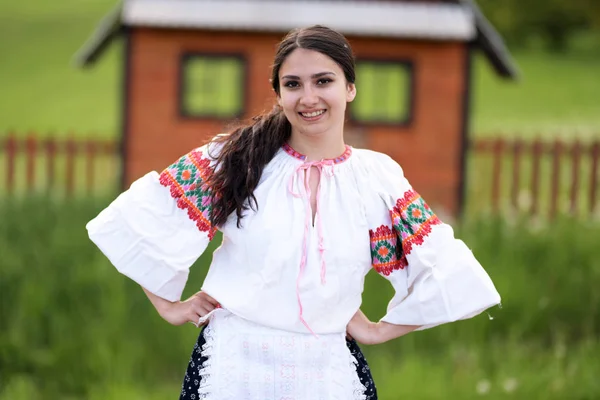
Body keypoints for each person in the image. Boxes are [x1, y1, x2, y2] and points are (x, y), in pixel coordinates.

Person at [86, 25, 501, 399]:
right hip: (234, 363)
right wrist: (169, 306)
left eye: (324, 81)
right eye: (293, 84)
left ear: (350, 87)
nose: (308, 97)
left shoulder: (377, 178)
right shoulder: (236, 158)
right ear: (279, 93)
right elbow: (141, 219)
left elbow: (447, 268)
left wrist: (379, 330)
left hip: (327, 370)